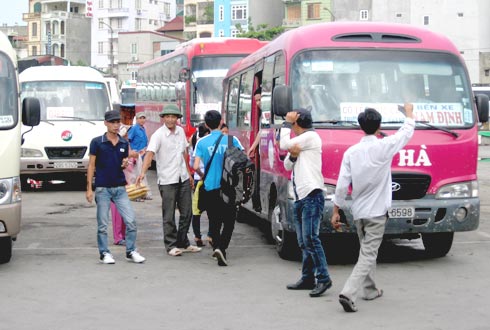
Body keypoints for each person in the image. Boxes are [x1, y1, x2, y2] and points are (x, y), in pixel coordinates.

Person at [331, 104, 415, 312]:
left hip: (359, 211)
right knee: (368, 254)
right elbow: (405, 133)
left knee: (366, 251)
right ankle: (349, 292)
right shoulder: (384, 146)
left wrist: (336, 210)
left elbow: (342, 185)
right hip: (377, 212)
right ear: (379, 126)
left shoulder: (351, 152)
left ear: (361, 126)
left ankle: (370, 290)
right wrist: (409, 114)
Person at [279, 108, 332, 297]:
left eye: (292, 124)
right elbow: (287, 164)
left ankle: (323, 278)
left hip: (311, 194)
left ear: (296, 123)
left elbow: (284, 143)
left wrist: (285, 122)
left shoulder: (310, 137)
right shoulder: (301, 141)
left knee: (311, 239)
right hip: (300, 196)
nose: (290, 127)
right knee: (303, 241)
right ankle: (308, 277)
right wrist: (293, 156)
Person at [137, 104, 201, 257]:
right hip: (167, 180)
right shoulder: (158, 135)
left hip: (183, 177)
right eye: (168, 117)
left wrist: (189, 173)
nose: (171, 119)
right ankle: (171, 244)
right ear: (163, 118)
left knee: (187, 212)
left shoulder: (180, 132)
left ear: (177, 119)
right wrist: (142, 173)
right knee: (169, 215)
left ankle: (183, 241)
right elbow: (150, 154)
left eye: (174, 117)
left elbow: (184, 153)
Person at [86, 110, 146, 264]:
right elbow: (91, 165)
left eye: (117, 122)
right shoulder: (97, 142)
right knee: (103, 224)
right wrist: (89, 188)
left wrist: (124, 163)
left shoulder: (124, 143)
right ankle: (104, 252)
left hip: (120, 188)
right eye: (112, 122)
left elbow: (123, 162)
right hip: (102, 188)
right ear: (106, 123)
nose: (115, 125)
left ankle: (131, 250)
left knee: (131, 221)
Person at [193, 110, 244, 266]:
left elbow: (195, 166)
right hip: (229, 187)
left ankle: (217, 247)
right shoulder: (231, 140)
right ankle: (222, 248)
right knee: (229, 221)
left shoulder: (202, 142)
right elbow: (241, 160)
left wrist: (203, 175)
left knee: (214, 220)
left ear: (207, 124)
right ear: (221, 122)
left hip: (210, 187)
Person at [189, 123, 210, 247]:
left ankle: (197, 236)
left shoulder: (195, 143)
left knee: (196, 210)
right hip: (208, 179)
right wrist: (203, 174)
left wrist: (199, 174)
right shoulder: (207, 143)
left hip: (198, 180)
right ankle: (211, 235)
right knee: (213, 211)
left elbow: (193, 165)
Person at [127, 112, 152, 200]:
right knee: (134, 176)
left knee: (142, 175)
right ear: (137, 119)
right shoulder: (134, 129)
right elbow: (128, 140)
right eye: (140, 118)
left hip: (143, 156)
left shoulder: (143, 129)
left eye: (143, 118)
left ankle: (143, 193)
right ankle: (135, 195)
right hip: (135, 157)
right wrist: (131, 152)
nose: (142, 120)